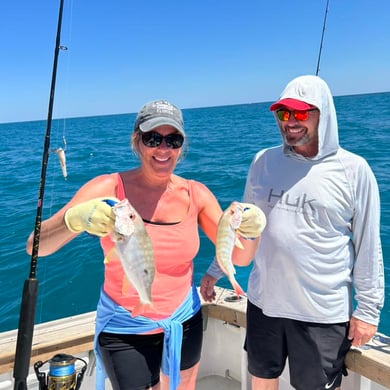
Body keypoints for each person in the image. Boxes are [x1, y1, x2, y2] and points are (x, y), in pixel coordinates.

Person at [26, 99, 263, 390]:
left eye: (173, 140)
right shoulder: (109, 188)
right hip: (125, 325)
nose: (163, 149)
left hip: (184, 320)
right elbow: (34, 247)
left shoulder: (195, 194)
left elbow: (240, 258)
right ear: (137, 142)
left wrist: (252, 229)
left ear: (182, 146)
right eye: (153, 138)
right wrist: (73, 221)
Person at [200, 75, 384, 390]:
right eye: (284, 114)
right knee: (261, 379)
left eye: (301, 113)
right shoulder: (263, 162)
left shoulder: (354, 171)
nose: (291, 122)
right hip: (263, 304)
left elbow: (368, 244)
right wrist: (216, 270)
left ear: (323, 113)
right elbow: (241, 227)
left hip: (321, 313)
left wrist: (367, 310)